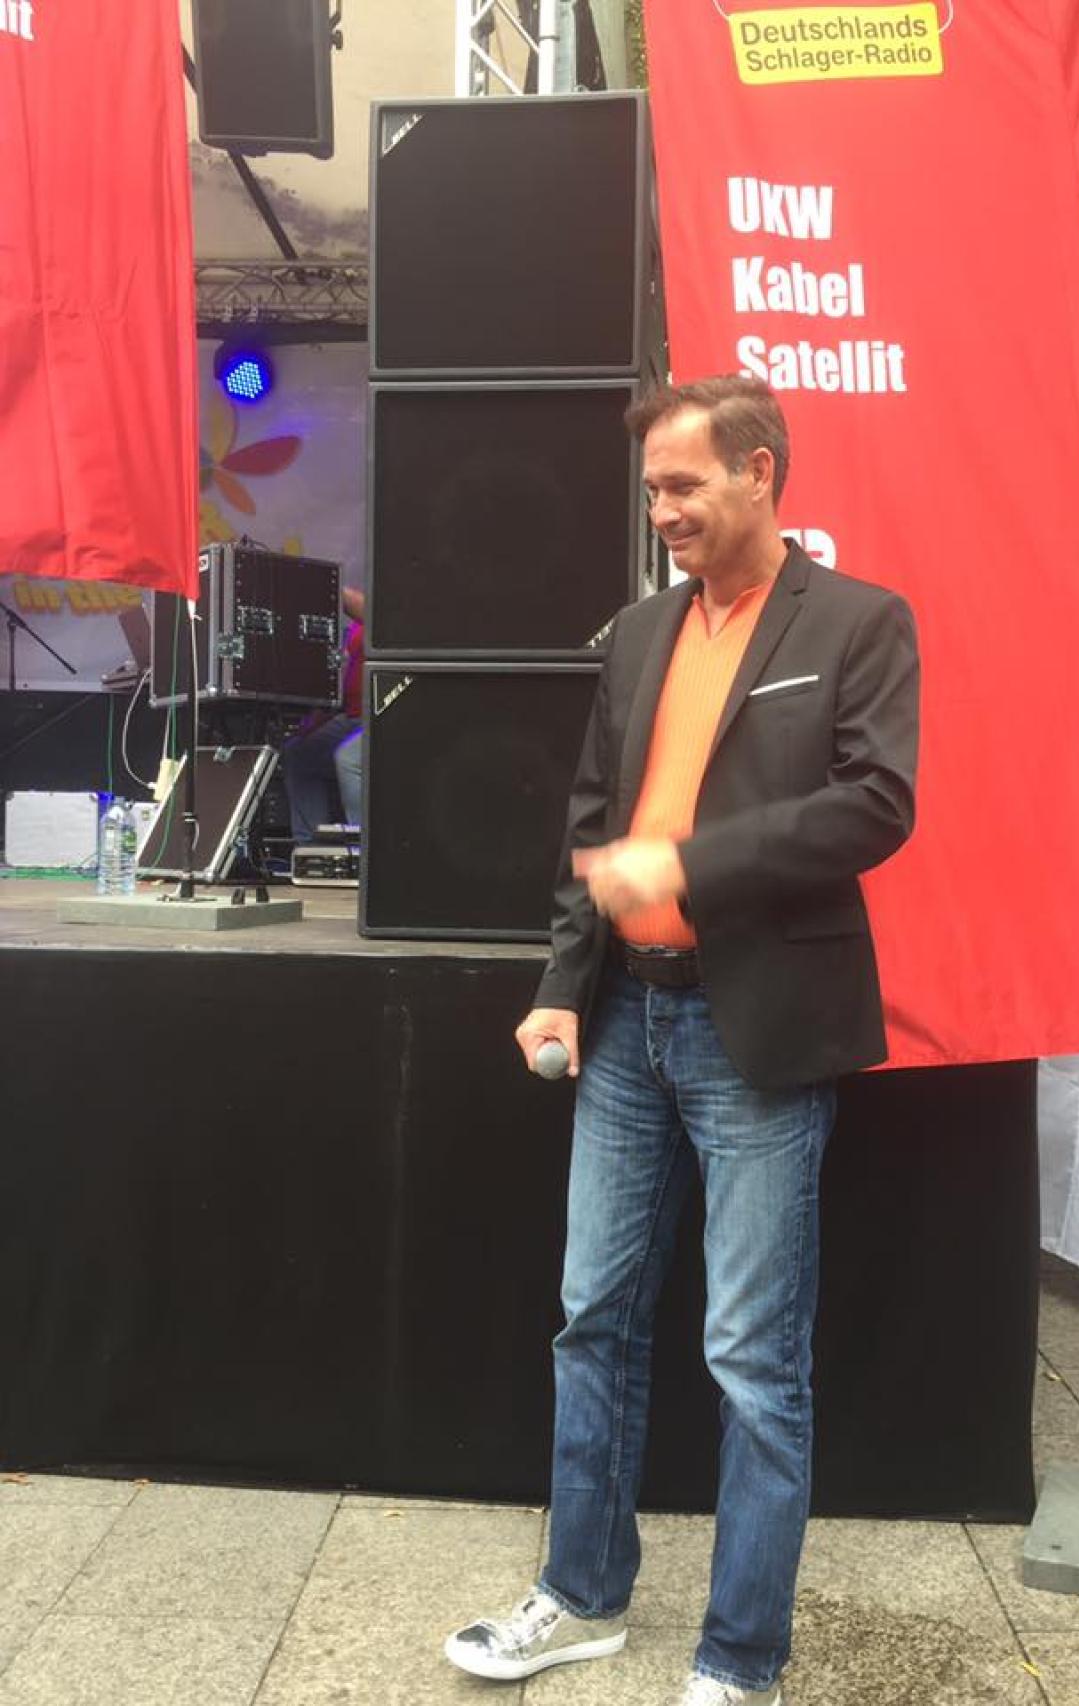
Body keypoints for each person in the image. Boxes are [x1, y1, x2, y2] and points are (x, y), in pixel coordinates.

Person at [445, 377, 920, 1706]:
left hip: (753, 1026)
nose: (661, 510)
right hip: (623, 1020)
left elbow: (877, 804)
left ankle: (739, 1657)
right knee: (591, 1316)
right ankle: (582, 1594)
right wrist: (560, 982)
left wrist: (692, 863)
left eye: (683, 484)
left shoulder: (861, 620)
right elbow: (592, 822)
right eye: (651, 487)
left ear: (758, 472)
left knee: (752, 1358)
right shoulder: (641, 629)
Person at [280, 585, 364, 840]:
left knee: (348, 759)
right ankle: (310, 848)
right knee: (299, 754)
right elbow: (342, 678)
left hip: (384, 713)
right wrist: (317, 719)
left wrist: (316, 579)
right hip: (350, 716)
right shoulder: (354, 628)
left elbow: (374, 612)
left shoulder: (397, 609)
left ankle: (364, 849)